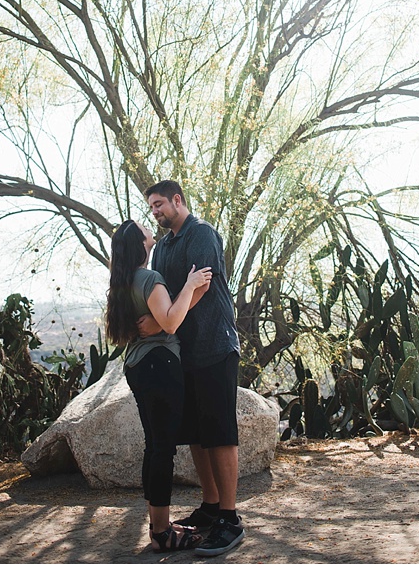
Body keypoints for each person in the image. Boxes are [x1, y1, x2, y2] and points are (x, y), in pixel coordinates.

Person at [138, 180, 246, 557]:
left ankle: (230, 519)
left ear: (177, 200)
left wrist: (161, 323)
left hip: (215, 347)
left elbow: (200, 287)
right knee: (198, 435)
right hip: (184, 353)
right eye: (151, 207)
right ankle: (212, 507)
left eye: (159, 205)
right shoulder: (164, 247)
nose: (155, 212)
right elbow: (163, 293)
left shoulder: (202, 234)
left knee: (219, 433)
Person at [105, 219, 212, 551]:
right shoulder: (149, 278)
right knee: (163, 450)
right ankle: (163, 533)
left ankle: (158, 524)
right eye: (144, 228)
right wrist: (191, 284)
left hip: (137, 367)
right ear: (142, 243)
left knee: (155, 447)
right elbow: (169, 321)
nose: (151, 228)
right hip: (161, 366)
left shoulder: (121, 283)